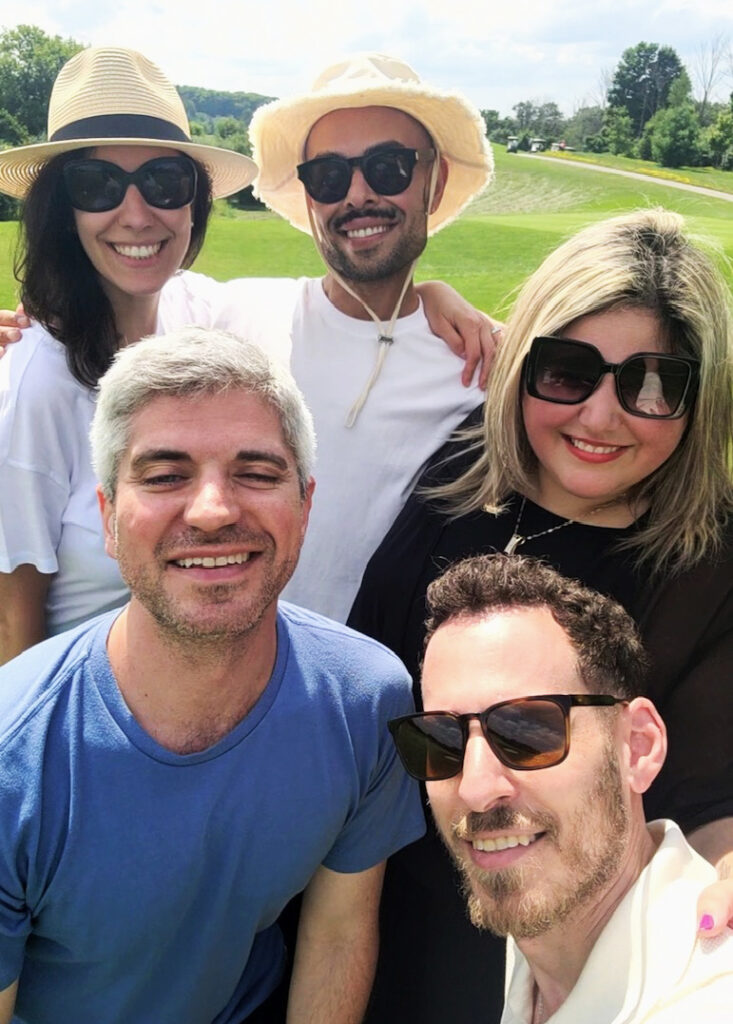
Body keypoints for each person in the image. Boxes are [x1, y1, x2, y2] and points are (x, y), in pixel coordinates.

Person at [350, 208, 733, 1022]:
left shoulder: (710, 563)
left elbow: (704, 794)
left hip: (556, 949)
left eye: (652, 384)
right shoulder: (462, 471)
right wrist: (424, 291)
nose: (599, 417)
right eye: (565, 372)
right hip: (379, 893)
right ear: (522, 364)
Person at [0, 47, 495, 662]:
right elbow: (9, 614)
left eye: (163, 181)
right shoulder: (36, 373)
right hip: (91, 708)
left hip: (284, 697)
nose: (135, 213)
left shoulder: (209, 312)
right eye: (95, 186)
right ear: (61, 208)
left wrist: (434, 298)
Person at [0, 327, 423, 1024]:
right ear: (108, 519)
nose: (213, 510)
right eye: (164, 475)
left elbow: (339, 931)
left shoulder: (364, 699)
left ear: (304, 507)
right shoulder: (19, 758)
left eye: (256, 472)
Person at [390, 553, 733, 1023]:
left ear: (637, 747)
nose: (475, 788)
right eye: (440, 738)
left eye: (526, 730)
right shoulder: (549, 915)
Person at [240, 51, 494, 620]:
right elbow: (110, 301)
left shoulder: (486, 361)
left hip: (385, 692)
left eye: (389, 167)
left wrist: (429, 294)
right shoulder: (241, 315)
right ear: (308, 195)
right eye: (329, 175)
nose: (357, 195)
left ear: (435, 179)